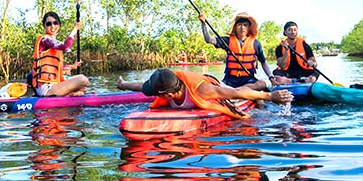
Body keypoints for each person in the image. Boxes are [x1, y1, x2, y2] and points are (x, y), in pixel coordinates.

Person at [118, 68, 292, 115]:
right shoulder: (164, 85)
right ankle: (258, 84)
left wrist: (270, 96)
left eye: (155, 93)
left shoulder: (203, 91)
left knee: (238, 91)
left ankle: (259, 84)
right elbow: (140, 86)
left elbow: (236, 95)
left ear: (168, 95)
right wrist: (123, 84)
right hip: (207, 85)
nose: (153, 95)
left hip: (213, 84)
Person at [198, 11, 275, 90]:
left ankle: (238, 90)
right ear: (235, 27)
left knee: (262, 84)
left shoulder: (256, 44)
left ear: (249, 27)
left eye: (245, 25)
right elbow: (209, 40)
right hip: (230, 80)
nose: (242, 28)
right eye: (239, 25)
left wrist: (270, 77)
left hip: (248, 80)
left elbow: (263, 62)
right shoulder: (227, 41)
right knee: (211, 83)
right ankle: (239, 91)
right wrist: (203, 24)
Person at [29, 11, 89, 97]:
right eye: (49, 24)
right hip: (46, 88)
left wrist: (72, 66)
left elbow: (55, 69)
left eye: (55, 23)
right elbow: (66, 47)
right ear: (44, 26)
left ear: (59, 24)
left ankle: (69, 95)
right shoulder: (45, 39)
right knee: (83, 80)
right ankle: (66, 95)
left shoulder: (53, 43)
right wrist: (76, 28)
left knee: (83, 88)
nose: (52, 26)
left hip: (53, 84)